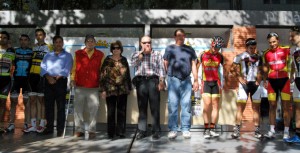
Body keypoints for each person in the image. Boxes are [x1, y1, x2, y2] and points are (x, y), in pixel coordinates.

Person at [163, 29, 198, 139]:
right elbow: (165, 63)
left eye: (182, 35)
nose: (180, 37)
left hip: (186, 80)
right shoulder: (170, 48)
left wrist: (196, 80)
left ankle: (185, 129)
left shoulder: (190, 49)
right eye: (178, 35)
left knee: (186, 105)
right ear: (174, 37)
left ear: (184, 37)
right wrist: (168, 76)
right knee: (173, 105)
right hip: (173, 79)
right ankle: (173, 129)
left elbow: (193, 65)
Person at [131, 36, 165, 140]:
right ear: (141, 43)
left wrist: (161, 81)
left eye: (149, 42)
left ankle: (156, 131)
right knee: (142, 108)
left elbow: (161, 69)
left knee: (155, 108)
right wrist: (140, 56)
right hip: (141, 81)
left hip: (153, 81)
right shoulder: (136, 54)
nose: (147, 44)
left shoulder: (157, 54)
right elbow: (132, 64)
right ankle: (142, 131)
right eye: (145, 42)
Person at [71, 35, 104, 139]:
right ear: (85, 43)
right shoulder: (78, 53)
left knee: (94, 109)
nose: (90, 43)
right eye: (88, 41)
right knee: (78, 109)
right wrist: (72, 79)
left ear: (95, 43)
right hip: (79, 86)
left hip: (94, 86)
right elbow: (74, 68)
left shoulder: (100, 54)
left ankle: (92, 130)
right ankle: (78, 130)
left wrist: (102, 83)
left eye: (92, 41)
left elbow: (102, 71)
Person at [230, 38, 263, 139]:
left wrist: (259, 79)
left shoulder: (259, 57)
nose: (252, 50)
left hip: (256, 85)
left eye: (254, 48)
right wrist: (239, 77)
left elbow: (261, 70)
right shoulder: (240, 56)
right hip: (244, 85)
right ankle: (236, 129)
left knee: (256, 109)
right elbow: (232, 69)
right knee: (240, 108)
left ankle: (257, 130)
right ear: (246, 47)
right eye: (250, 48)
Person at [40, 35, 73, 136]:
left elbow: (67, 69)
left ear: (62, 43)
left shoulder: (67, 55)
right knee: (49, 106)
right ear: (53, 44)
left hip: (60, 82)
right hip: (48, 81)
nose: (58, 44)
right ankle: (49, 128)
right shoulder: (47, 55)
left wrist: (55, 78)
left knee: (61, 107)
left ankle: (60, 130)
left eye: (60, 42)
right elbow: (43, 67)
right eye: (56, 42)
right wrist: (49, 77)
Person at [100, 40, 132, 139]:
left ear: (121, 49)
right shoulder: (107, 60)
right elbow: (102, 75)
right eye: (114, 48)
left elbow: (127, 75)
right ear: (111, 50)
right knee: (111, 111)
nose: (116, 50)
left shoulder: (124, 60)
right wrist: (103, 90)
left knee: (122, 111)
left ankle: (121, 132)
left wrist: (129, 87)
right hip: (110, 89)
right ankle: (111, 132)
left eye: (117, 48)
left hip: (123, 89)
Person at [263, 32, 291, 139]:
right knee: (272, 106)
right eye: (270, 42)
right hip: (272, 81)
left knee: (286, 107)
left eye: (274, 41)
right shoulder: (266, 53)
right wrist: (265, 80)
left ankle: (286, 131)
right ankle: (271, 131)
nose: (272, 44)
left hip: (284, 81)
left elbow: (292, 63)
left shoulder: (286, 50)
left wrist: (292, 75)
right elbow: (265, 68)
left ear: (278, 40)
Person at [24, 29, 52, 133]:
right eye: (36, 35)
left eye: (40, 35)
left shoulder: (49, 47)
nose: (38, 37)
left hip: (42, 76)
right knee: (32, 100)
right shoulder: (33, 47)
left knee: (41, 101)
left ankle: (42, 124)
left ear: (44, 35)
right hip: (32, 76)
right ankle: (33, 124)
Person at [197, 36, 224, 139]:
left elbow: (223, 70)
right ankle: (206, 129)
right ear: (211, 44)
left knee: (215, 106)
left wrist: (223, 83)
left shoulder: (220, 56)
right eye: (214, 47)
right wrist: (196, 81)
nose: (215, 50)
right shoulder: (203, 54)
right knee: (207, 105)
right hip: (205, 82)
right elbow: (196, 66)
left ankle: (212, 128)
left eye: (218, 48)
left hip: (216, 83)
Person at [5, 34, 33, 133]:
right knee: (13, 101)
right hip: (16, 79)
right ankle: (12, 124)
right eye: (21, 40)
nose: (23, 42)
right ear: (19, 41)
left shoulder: (32, 52)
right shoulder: (15, 51)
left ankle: (26, 123)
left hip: (27, 80)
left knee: (27, 102)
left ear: (28, 41)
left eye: (25, 40)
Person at [284, 26, 300, 143]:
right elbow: (294, 66)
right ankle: (298, 135)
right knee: (297, 109)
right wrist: (291, 77)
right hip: (298, 81)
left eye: (292, 35)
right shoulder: (294, 50)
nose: (290, 38)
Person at [0, 31, 15, 133]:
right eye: (0, 37)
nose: (2, 39)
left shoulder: (11, 52)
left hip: (6, 80)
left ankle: (0, 126)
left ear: (8, 39)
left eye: (4, 37)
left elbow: (13, 65)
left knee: (2, 104)